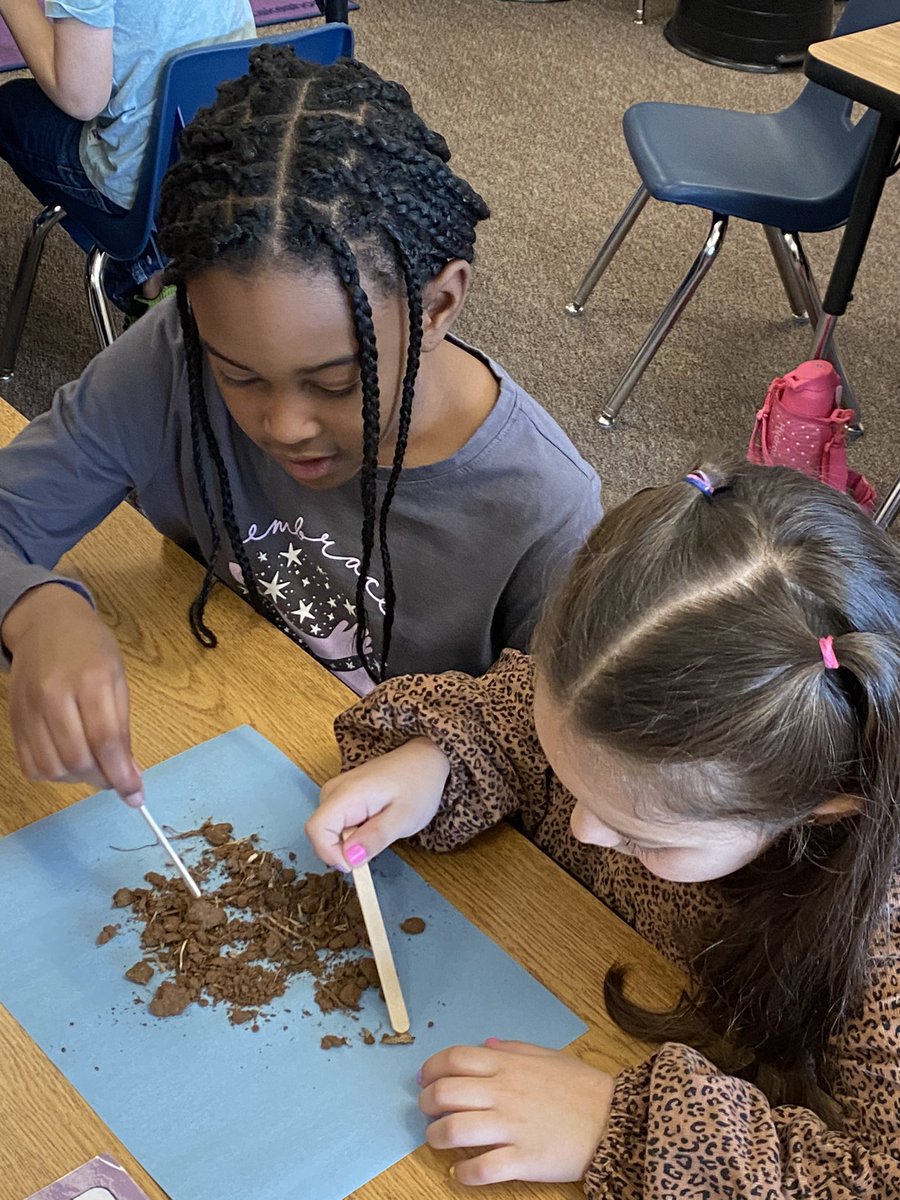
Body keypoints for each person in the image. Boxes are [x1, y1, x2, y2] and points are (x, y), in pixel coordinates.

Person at [0, 48, 601, 811]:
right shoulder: (173, 356)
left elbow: (568, 753)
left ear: (442, 304)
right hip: (210, 722)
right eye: (239, 376)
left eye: (338, 381)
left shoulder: (546, 509)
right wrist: (32, 605)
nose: (282, 425)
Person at [307, 460, 900, 1195]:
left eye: (645, 835)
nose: (585, 829)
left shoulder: (882, 946)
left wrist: (619, 1124)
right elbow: (517, 714)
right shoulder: (615, 704)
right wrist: (436, 761)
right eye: (568, 775)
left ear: (824, 804)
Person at [0, 0, 255, 310]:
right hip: (241, 146)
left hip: (150, 178)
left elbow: (81, 101)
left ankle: (146, 272)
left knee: (10, 108)